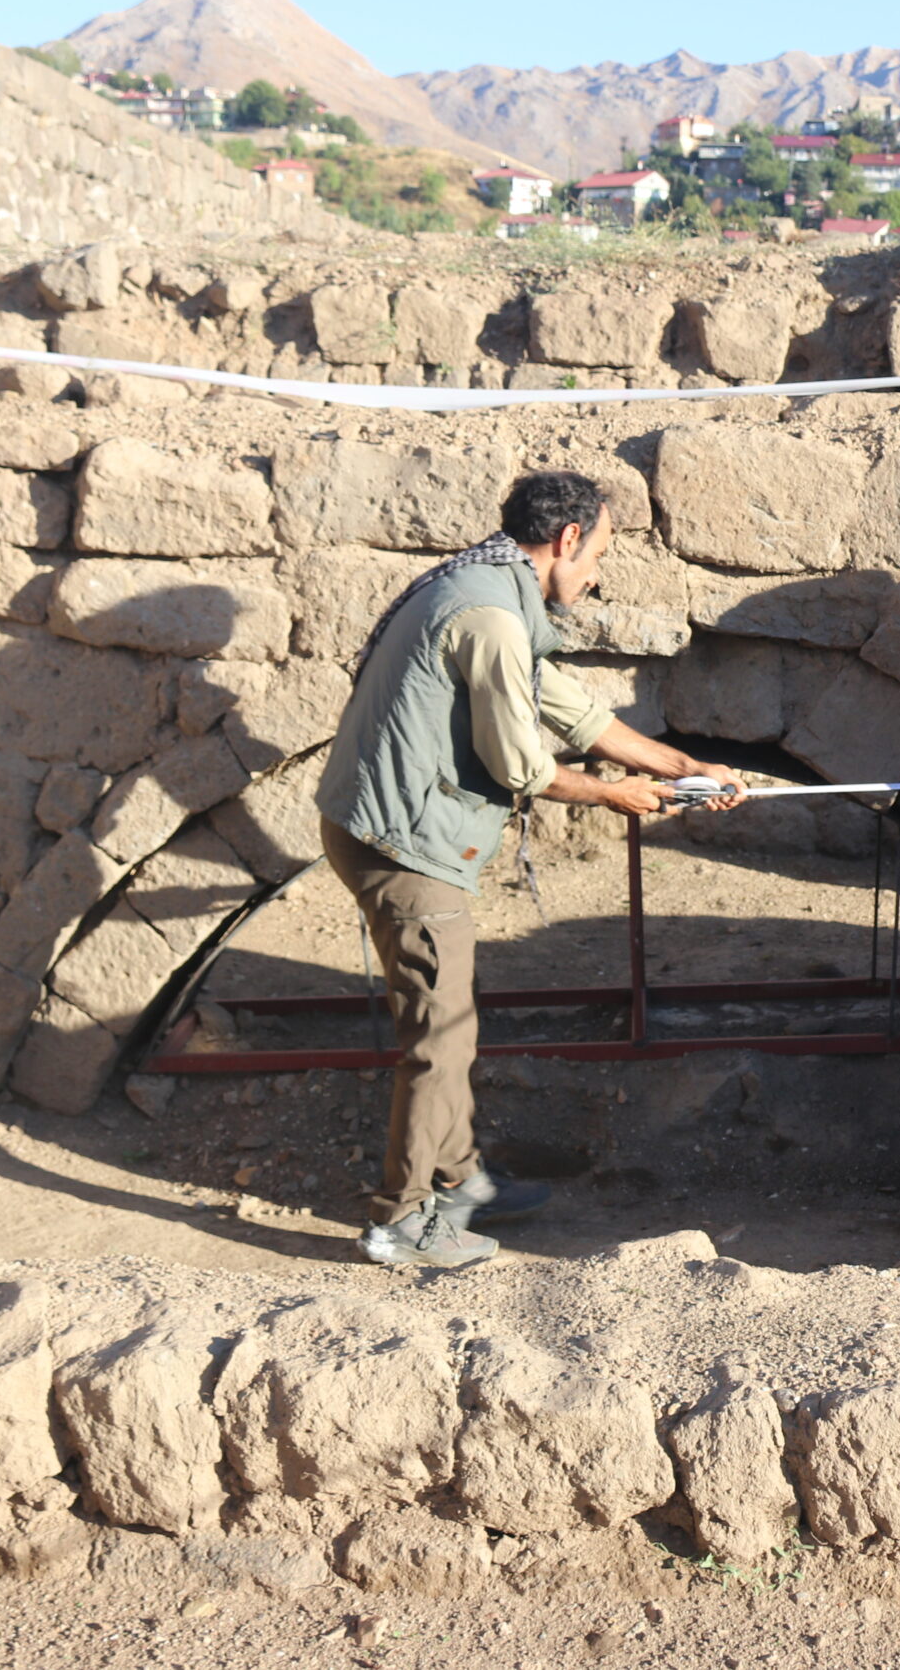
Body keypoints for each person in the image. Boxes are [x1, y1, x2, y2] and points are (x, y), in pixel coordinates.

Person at [315, 471, 744, 1270]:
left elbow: (567, 706)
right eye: (600, 552)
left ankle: (459, 1178)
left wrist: (685, 763)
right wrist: (616, 794)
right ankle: (402, 1220)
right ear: (567, 538)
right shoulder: (491, 615)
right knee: (438, 1038)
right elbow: (520, 762)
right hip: (406, 845)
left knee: (451, 1019)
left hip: (393, 830)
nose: (596, 573)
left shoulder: (488, 589)